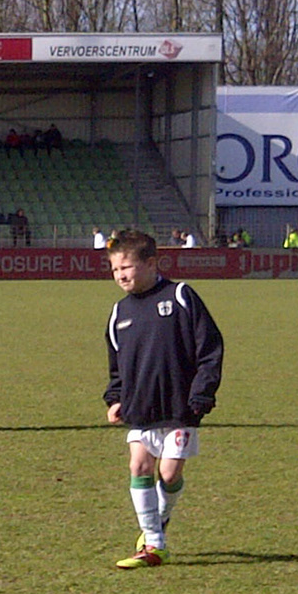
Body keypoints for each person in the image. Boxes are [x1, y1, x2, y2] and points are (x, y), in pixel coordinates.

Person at [102, 229, 224, 569]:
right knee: (139, 465)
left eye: (126, 267)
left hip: (180, 407)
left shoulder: (181, 295)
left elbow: (210, 347)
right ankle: (154, 544)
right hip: (141, 408)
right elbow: (116, 364)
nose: (121, 275)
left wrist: (202, 392)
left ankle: (158, 523)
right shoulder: (119, 312)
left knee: (169, 475)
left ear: (152, 263)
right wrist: (115, 398)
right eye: (114, 270)